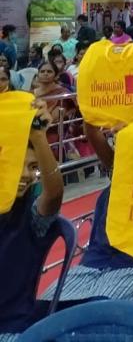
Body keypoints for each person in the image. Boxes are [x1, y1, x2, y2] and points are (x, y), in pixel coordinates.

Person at [40, 120, 133, 307]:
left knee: (94, 310)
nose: (118, 145)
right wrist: (89, 103)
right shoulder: (116, 175)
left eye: (128, 142)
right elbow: (91, 130)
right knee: (46, 304)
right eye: (117, 141)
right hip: (92, 264)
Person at [0, 99, 64, 338]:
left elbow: (54, 193)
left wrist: (38, 137)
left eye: (34, 167)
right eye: (20, 166)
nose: (26, 174)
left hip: (13, 329)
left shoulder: (31, 219)